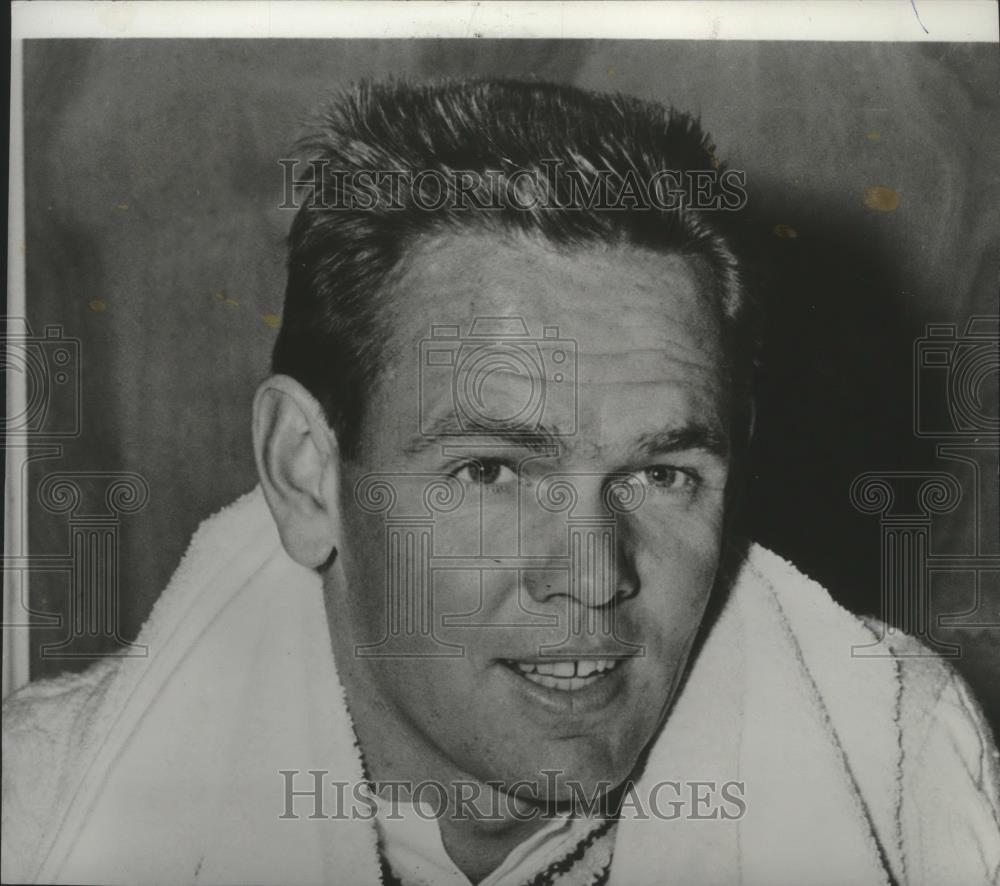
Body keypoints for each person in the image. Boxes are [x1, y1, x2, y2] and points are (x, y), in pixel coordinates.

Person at [3, 79, 998, 886]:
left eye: (661, 471)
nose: (593, 574)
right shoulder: (36, 809)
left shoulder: (896, 766)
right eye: (492, 470)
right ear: (305, 473)